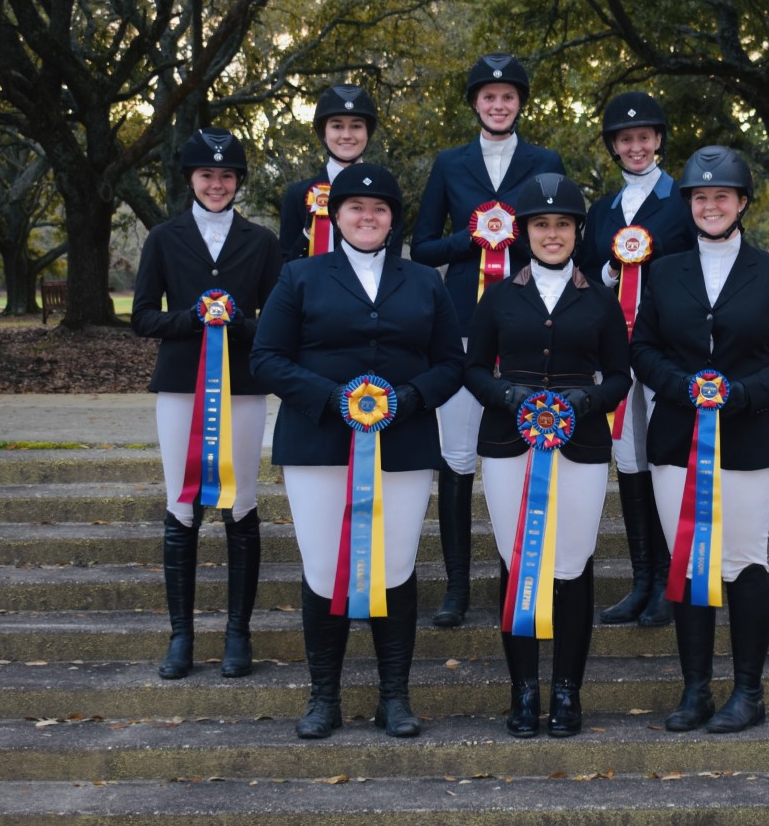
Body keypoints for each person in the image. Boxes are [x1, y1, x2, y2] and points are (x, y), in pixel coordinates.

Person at [251, 163, 464, 739]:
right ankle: (324, 697)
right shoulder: (299, 276)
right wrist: (332, 398)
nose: (367, 217)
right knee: (325, 568)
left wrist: (409, 397)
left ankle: (394, 697)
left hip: (403, 444)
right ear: (336, 215)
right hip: (318, 444)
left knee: (395, 566)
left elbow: (452, 362)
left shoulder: (425, 281)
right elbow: (266, 357)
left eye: (379, 209)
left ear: (394, 219)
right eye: (355, 208)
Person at [630, 146, 769, 733]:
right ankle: (696, 690)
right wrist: (680, 387)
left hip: (750, 437)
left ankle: (749, 692)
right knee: (688, 560)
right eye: (701, 197)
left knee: (743, 560)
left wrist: (745, 394)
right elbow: (643, 349)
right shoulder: (664, 271)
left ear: (742, 203)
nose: (711, 206)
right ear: (689, 204)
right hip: (677, 437)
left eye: (722, 197)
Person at [464, 172, 631, 737]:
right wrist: (507, 396)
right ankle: (523, 689)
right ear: (525, 232)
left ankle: (566, 690)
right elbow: (473, 369)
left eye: (562, 224)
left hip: (580, 445)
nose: (552, 234)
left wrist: (587, 400)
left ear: (577, 230)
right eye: (541, 224)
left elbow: (620, 376)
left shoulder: (600, 300)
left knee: (572, 565)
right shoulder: (498, 296)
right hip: (509, 444)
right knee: (517, 560)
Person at [411, 53, 565, 628]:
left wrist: (512, 235)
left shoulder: (545, 161)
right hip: (460, 325)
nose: (498, 105)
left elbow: (559, 237)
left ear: (520, 102)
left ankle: (522, 572)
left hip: (527, 322)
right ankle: (456, 586)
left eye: (508, 96)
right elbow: (423, 246)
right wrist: (476, 237)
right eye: (488, 96)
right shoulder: (448, 163)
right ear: (475, 103)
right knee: (457, 458)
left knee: (526, 449)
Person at [131, 127, 282, 681]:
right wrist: (192, 318)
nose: (216, 184)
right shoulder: (163, 238)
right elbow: (142, 316)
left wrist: (235, 322)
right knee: (182, 504)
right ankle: (182, 636)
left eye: (226, 176)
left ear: (238, 181)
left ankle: (238, 633)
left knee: (239, 504)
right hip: (180, 388)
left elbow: (277, 323)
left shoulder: (261, 241)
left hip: (242, 389)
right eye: (206, 175)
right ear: (190, 179)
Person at [579, 91, 696, 628]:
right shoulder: (602, 210)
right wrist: (612, 269)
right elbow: (586, 273)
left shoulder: (682, 201)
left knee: (663, 456)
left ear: (658, 140)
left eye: (644, 137)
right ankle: (642, 578)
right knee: (628, 458)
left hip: (666, 346)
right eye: (625, 139)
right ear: (614, 146)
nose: (635, 146)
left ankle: (672, 580)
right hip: (617, 349)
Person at [278, 84, 401, 261]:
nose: (346, 135)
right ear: (323, 132)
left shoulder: (387, 189)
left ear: (368, 132)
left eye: (356, 126)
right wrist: (308, 235)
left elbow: (394, 258)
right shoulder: (298, 194)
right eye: (337, 126)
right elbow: (285, 264)